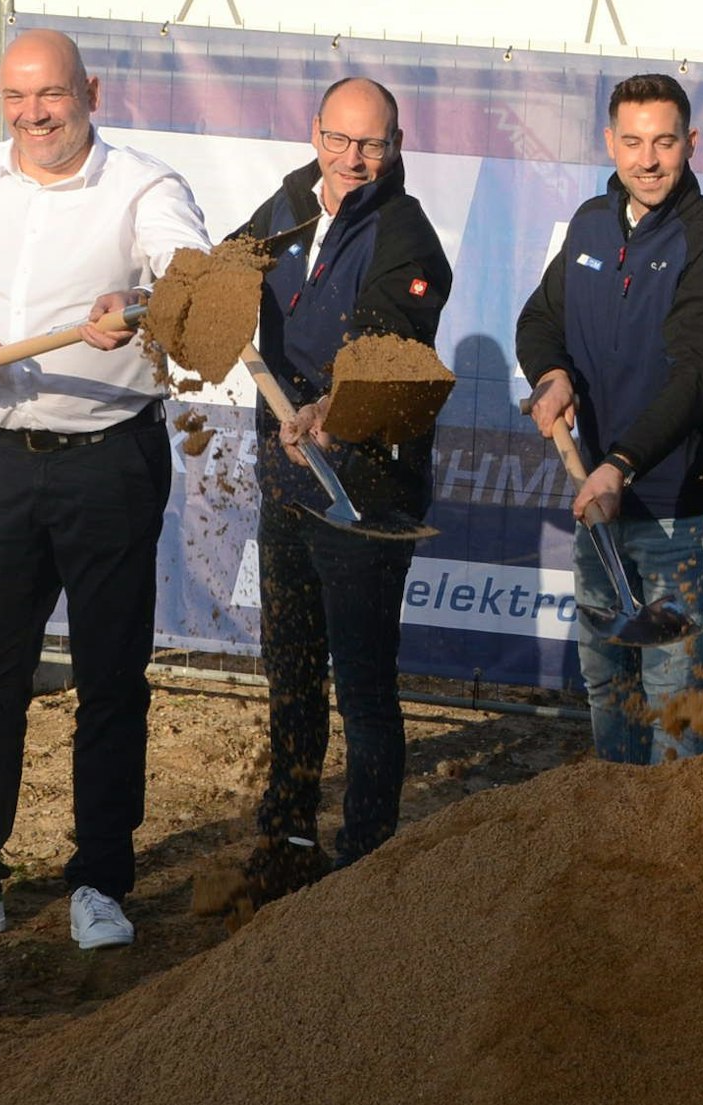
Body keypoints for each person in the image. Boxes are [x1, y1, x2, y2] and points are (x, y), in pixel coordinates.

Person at [0, 29, 208, 950]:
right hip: (1, 459)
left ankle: (101, 883)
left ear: (91, 89)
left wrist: (147, 308)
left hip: (110, 463)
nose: (34, 115)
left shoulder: (143, 186)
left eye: (51, 96)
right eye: (15, 98)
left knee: (111, 678)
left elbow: (187, 275)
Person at [232, 77, 452, 906]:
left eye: (374, 145)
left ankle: (364, 864)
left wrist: (335, 403)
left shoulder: (407, 233)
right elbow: (223, 273)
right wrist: (168, 299)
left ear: (397, 146)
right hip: (285, 475)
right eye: (340, 140)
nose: (354, 160)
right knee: (289, 671)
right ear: (314, 131)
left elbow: (387, 332)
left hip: (365, 488)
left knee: (363, 684)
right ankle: (287, 835)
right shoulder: (287, 204)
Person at [518, 73, 703, 765]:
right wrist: (551, 374)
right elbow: (541, 319)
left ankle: (671, 868)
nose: (647, 160)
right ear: (609, 142)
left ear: (691, 143)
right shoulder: (592, 222)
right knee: (609, 690)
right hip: (603, 506)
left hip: (684, 512)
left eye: (664, 142)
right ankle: (611, 851)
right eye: (631, 141)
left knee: (674, 710)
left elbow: (700, 375)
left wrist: (622, 462)